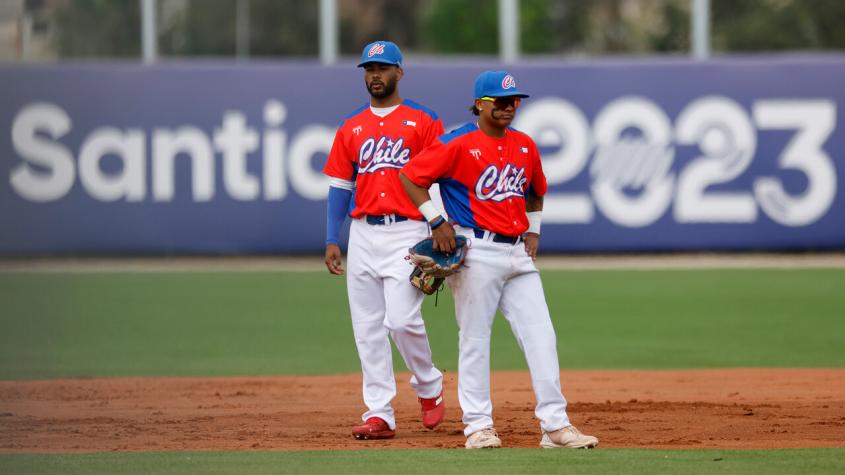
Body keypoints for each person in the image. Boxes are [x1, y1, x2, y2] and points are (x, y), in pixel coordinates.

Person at [399, 70, 599, 449]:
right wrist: (437, 221)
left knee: (542, 336)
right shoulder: (457, 142)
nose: (509, 107)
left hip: (517, 253)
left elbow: (537, 190)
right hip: (477, 250)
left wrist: (534, 230)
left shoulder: (524, 145)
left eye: (514, 101)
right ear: (479, 104)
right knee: (475, 338)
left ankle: (555, 426)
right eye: (500, 101)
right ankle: (478, 427)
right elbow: (410, 177)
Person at [323, 41, 446, 440]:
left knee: (401, 320)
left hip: (408, 230)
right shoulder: (351, 127)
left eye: (383, 68)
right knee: (368, 327)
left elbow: (437, 179)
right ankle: (380, 413)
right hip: (363, 233)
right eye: (369, 68)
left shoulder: (423, 121)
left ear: (399, 73)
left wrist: (441, 228)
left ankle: (428, 385)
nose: (375, 75)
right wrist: (331, 237)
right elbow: (341, 185)